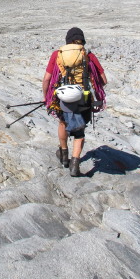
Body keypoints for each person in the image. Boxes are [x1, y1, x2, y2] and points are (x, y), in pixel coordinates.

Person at [42, 27, 107, 176]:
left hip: (62, 98)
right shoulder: (88, 55)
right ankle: (75, 163)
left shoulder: (57, 55)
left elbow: (46, 79)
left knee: (63, 123)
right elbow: (103, 80)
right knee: (79, 131)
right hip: (83, 98)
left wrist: (46, 97)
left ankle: (64, 155)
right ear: (82, 41)